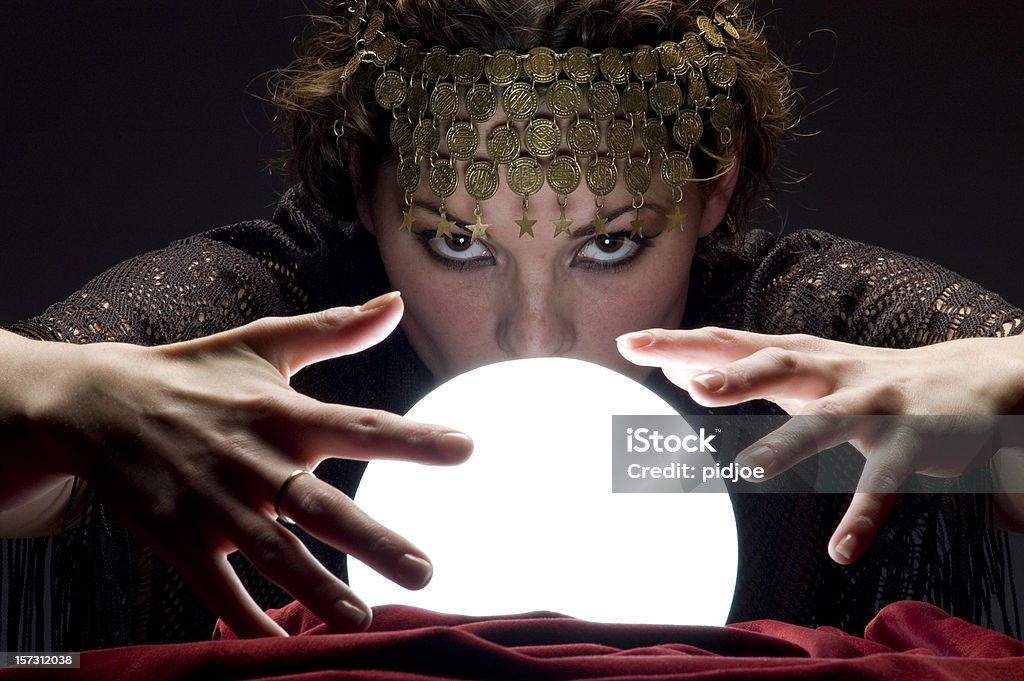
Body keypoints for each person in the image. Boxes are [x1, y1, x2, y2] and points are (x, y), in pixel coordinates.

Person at [1, 0, 1022, 651]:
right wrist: (55, 395)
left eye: (610, 247)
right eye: (456, 243)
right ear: (365, 190)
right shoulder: (250, 328)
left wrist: (1005, 392)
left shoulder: (815, 342)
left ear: (716, 190)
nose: (532, 337)